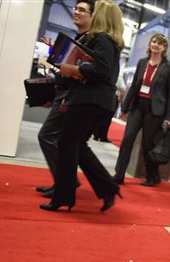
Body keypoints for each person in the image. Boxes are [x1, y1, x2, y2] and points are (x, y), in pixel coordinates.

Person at [40, 0, 124, 212]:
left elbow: (100, 70)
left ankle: (63, 197)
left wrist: (76, 68)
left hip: (88, 100)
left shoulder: (102, 40)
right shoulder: (109, 42)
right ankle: (107, 188)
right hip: (96, 101)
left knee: (68, 146)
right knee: (78, 147)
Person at [35, 0, 94, 197]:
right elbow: (68, 66)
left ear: (92, 16)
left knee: (47, 136)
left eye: (82, 10)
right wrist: (54, 53)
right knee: (58, 139)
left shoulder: (91, 40)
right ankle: (64, 182)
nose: (76, 12)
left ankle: (65, 182)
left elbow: (81, 72)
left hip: (70, 96)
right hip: (64, 92)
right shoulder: (80, 37)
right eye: (76, 8)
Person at [113, 32, 170, 187]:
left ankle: (153, 176)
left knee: (148, 144)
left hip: (155, 111)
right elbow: (134, 86)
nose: (156, 45)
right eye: (154, 42)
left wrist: (169, 116)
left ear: (164, 48)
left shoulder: (169, 67)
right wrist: (125, 107)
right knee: (127, 140)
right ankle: (119, 174)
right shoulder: (142, 62)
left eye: (159, 43)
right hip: (137, 107)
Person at [93, 74, 126, 142]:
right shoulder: (119, 77)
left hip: (103, 96)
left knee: (99, 116)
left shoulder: (107, 75)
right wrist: (121, 100)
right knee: (108, 118)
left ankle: (96, 135)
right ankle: (103, 136)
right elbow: (123, 90)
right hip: (113, 98)